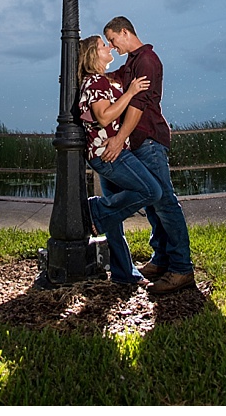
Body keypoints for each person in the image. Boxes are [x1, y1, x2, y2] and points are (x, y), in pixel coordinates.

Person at [101, 15, 195, 294]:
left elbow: (138, 106)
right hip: (139, 142)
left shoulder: (147, 61)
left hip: (149, 140)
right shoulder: (131, 62)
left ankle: (181, 269)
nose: (112, 45)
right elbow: (114, 80)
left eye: (113, 39)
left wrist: (119, 139)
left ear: (124, 32)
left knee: (164, 201)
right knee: (153, 203)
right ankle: (161, 259)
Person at [77, 35, 163, 287]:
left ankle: (124, 274)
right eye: (104, 46)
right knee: (151, 190)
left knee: (115, 221)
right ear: (94, 55)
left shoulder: (101, 80)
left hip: (107, 152)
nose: (110, 47)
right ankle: (95, 211)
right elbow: (104, 117)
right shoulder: (95, 81)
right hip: (110, 154)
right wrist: (132, 92)